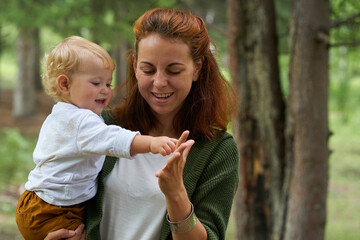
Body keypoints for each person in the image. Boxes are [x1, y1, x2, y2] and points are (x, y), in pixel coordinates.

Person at [47, 7, 240, 240]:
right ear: (136, 66)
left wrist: (176, 194)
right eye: (148, 69)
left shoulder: (217, 150)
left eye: (174, 70)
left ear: (197, 68)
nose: (159, 82)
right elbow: (57, 186)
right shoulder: (104, 126)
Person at [15, 36, 178, 240]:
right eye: (96, 83)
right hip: (54, 211)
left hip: (39, 203)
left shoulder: (60, 114)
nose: (105, 91)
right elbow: (114, 139)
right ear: (65, 84)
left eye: (108, 84)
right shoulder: (81, 121)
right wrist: (152, 143)